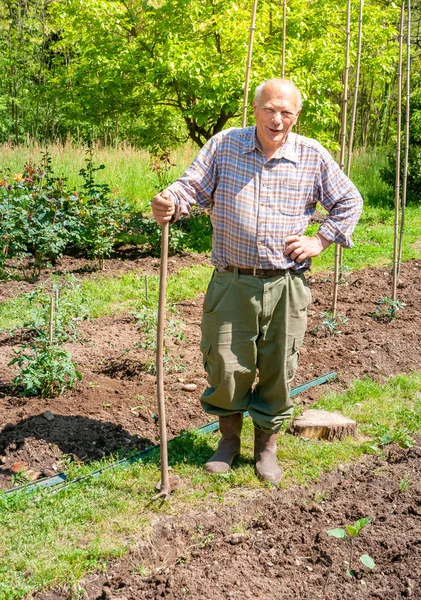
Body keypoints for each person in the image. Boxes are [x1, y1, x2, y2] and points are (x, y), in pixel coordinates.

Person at [152, 78, 363, 485]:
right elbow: (191, 186)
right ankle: (228, 442)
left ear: (296, 115)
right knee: (227, 366)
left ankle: (266, 446)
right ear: (255, 109)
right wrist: (170, 202)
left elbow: (349, 200)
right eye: (270, 109)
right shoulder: (225, 145)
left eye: (286, 111)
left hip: (287, 284)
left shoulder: (311, 154)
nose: (278, 118)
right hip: (232, 280)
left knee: (279, 366)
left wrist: (319, 240)